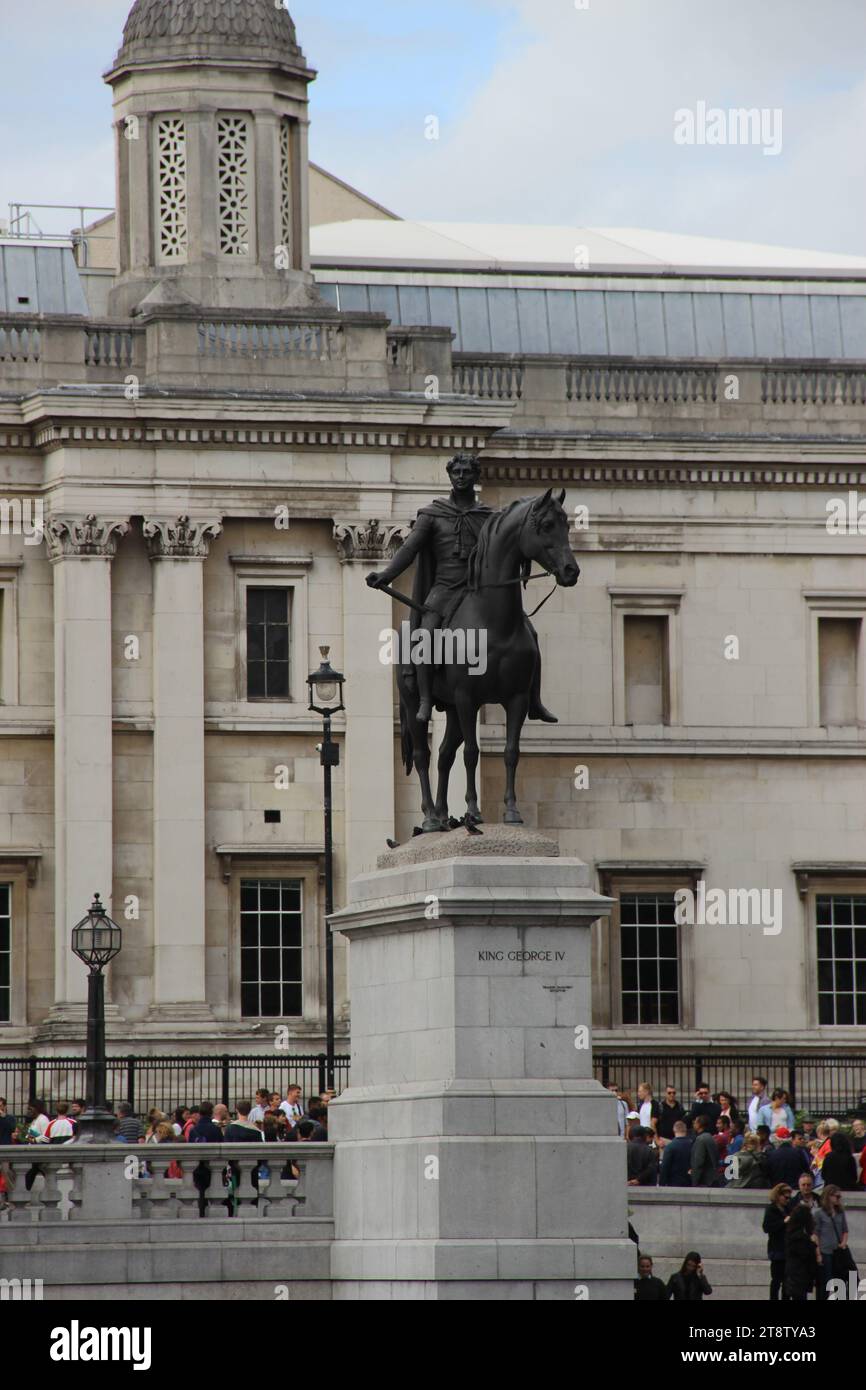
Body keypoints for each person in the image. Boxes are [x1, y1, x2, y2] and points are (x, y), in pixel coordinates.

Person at [366, 452, 556, 725]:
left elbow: (512, 546)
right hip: (444, 589)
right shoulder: (432, 515)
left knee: (529, 632)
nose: (461, 477)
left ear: (476, 476)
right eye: (457, 472)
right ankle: (425, 699)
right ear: (450, 476)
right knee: (426, 632)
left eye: (467, 472)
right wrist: (386, 574)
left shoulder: (489, 517)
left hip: (477, 588)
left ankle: (534, 702)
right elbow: (409, 549)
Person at [813, 1185, 850, 1300]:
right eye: (836, 1196)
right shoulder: (819, 1213)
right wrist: (818, 1252)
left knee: (840, 1280)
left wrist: (843, 1243)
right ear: (828, 1196)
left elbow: (845, 1230)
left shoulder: (840, 1213)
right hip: (825, 1251)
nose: (839, 1199)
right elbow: (815, 1234)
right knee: (825, 1281)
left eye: (840, 1196)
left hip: (838, 1251)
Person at [762, 1183, 792, 1301]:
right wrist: (783, 1222)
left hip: (788, 1249)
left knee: (787, 1281)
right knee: (776, 1279)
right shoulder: (771, 1209)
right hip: (777, 1249)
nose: (787, 1200)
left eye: (789, 1197)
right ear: (778, 1196)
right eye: (786, 1197)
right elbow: (767, 1228)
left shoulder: (788, 1209)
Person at [784, 1203, 819, 1302]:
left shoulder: (794, 1233)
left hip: (797, 1274)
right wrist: (812, 1243)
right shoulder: (798, 1236)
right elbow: (805, 1254)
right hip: (798, 1275)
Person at [659, 1120, 693, 1186]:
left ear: (674, 1130)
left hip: (673, 1182)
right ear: (685, 1130)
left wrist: (661, 1184)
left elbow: (665, 1167)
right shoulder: (693, 1145)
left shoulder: (670, 1147)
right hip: (690, 1181)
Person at [689, 1116, 720, 1187]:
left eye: (695, 1122)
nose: (693, 1123)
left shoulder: (700, 1139)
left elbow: (698, 1162)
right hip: (712, 1177)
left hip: (704, 1181)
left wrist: (694, 1181)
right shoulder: (710, 1137)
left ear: (699, 1124)